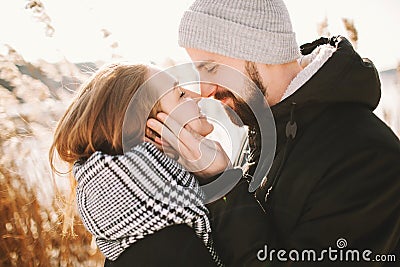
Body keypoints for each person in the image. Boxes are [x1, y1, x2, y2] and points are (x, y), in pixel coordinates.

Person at [146, 0, 400, 265]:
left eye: (210, 68)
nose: (205, 90)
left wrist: (224, 186)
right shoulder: (258, 133)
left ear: (261, 49)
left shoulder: (367, 157)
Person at [49, 62, 268, 267]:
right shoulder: (169, 246)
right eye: (181, 94)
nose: (197, 95)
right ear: (153, 132)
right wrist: (222, 181)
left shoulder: (150, 222)